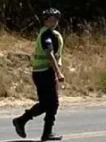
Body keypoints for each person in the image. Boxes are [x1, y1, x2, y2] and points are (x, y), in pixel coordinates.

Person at [12, 8, 65, 141]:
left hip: (43, 73)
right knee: (52, 103)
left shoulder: (52, 33)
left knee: (48, 104)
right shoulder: (47, 35)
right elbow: (49, 53)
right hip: (44, 73)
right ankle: (24, 122)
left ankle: (29, 124)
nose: (53, 22)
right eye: (50, 20)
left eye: (55, 20)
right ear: (45, 21)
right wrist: (58, 72)